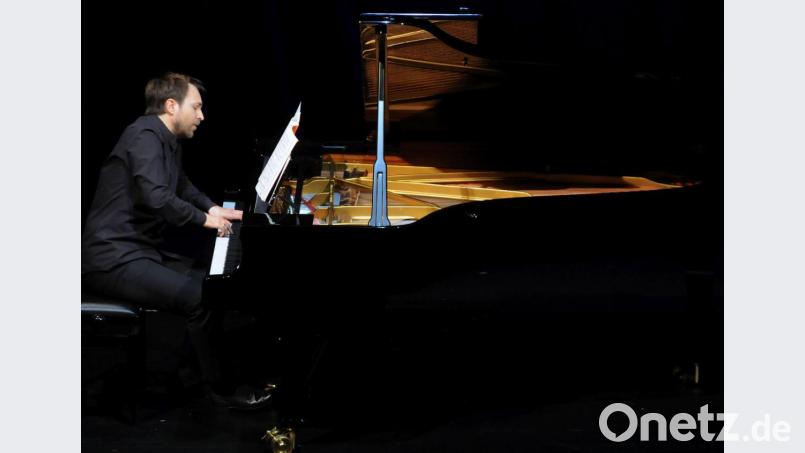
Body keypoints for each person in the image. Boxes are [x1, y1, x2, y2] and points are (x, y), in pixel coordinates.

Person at [82, 72, 271, 410]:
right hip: (112, 258)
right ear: (172, 106)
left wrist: (214, 208)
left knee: (209, 283)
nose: (202, 116)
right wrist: (204, 220)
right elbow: (156, 196)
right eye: (196, 107)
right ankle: (219, 391)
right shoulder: (143, 136)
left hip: (139, 250)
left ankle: (190, 372)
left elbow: (180, 184)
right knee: (201, 297)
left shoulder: (165, 139)